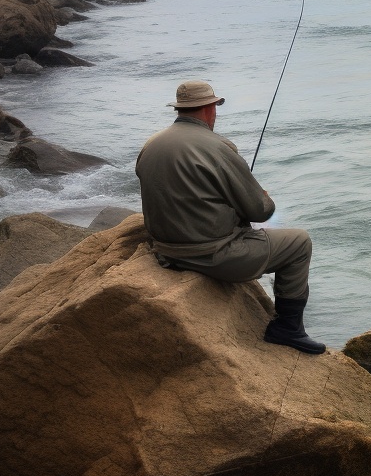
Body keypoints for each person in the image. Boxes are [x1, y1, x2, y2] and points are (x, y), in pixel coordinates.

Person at [135, 80, 325, 354]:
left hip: (165, 251)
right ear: (210, 108)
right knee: (299, 243)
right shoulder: (218, 147)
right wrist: (262, 195)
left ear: (179, 110)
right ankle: (287, 328)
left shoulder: (151, 144)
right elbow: (261, 211)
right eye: (215, 107)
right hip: (210, 255)